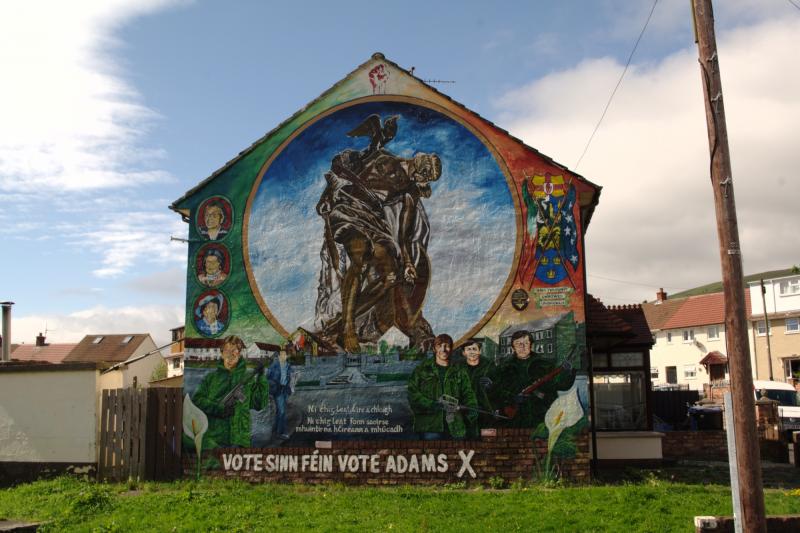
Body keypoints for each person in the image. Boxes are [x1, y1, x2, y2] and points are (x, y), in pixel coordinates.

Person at [314, 115, 441, 352]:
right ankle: (349, 329)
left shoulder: (410, 191)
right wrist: (326, 199)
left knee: (390, 277)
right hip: (349, 208)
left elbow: (404, 232)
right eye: (423, 176)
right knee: (359, 257)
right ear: (418, 166)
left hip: (375, 220)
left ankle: (337, 328)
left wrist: (407, 263)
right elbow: (340, 172)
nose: (420, 182)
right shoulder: (381, 158)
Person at [191, 336, 269, 449]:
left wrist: (261, 377)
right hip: (216, 440)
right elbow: (197, 400)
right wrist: (218, 409)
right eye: (227, 351)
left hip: (241, 441)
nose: (230, 355)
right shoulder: (211, 378)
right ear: (222, 354)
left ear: (239, 354)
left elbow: (259, 404)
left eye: (234, 351)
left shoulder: (248, 378)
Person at [494, 330, 572, 428]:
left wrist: (567, 372)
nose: (522, 347)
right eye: (518, 344)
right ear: (513, 346)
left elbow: (560, 386)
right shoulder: (504, 367)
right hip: (515, 419)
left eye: (526, 343)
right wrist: (512, 398)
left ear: (531, 344)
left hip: (539, 415)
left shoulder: (545, 364)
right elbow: (498, 391)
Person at [407, 334, 477, 439]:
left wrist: (467, 412)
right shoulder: (422, 370)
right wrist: (434, 405)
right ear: (435, 348)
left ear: (451, 349)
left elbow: (469, 395)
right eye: (440, 346)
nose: (444, 349)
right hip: (430, 426)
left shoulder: (459, 371)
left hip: (455, 427)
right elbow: (412, 394)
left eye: (447, 346)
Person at [457, 338, 496, 438]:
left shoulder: (489, 365)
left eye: (474, 349)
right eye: (468, 349)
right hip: (464, 410)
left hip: (485, 410)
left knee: (487, 438)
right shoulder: (457, 366)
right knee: (466, 439)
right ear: (463, 353)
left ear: (479, 351)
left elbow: (499, 386)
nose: (471, 352)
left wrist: (491, 386)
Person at [267, 347, 293, 440]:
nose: (283, 356)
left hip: (285, 390)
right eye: (281, 354)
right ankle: (280, 433)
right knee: (282, 411)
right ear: (279, 355)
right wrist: (273, 386)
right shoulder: (274, 365)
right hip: (278, 390)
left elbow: (289, 377)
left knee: (280, 411)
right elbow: (267, 378)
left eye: (285, 354)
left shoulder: (288, 365)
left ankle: (276, 429)